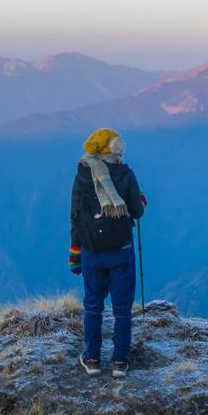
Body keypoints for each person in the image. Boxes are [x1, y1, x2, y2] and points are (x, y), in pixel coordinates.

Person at [68, 127, 145, 377]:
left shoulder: (82, 174)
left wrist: (74, 255)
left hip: (92, 252)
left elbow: (76, 216)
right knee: (122, 309)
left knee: (93, 306)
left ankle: (92, 359)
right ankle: (120, 362)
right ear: (111, 147)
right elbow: (136, 211)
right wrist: (141, 200)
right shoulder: (125, 174)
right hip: (121, 251)